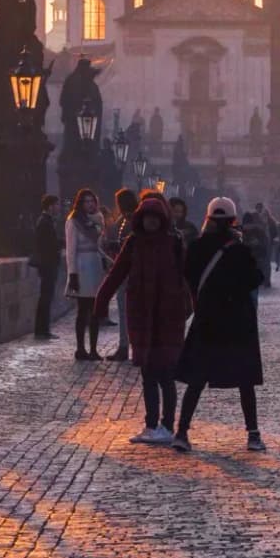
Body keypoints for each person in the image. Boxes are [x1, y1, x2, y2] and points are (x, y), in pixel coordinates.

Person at [95, 196, 193, 445]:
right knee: (149, 373)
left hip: (168, 318)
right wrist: (101, 302)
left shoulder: (174, 243)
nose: (151, 222)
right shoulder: (133, 243)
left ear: (162, 220)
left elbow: (190, 277)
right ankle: (153, 425)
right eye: (147, 218)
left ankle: (165, 426)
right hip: (142, 316)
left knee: (166, 374)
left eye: (155, 218)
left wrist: (191, 307)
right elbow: (116, 274)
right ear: (141, 219)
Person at [173, 198, 268, 452]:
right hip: (237, 320)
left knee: (197, 379)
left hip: (208, 318)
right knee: (244, 380)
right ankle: (253, 434)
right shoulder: (237, 248)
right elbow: (255, 278)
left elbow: (188, 275)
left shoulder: (196, 247)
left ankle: (181, 431)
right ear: (233, 220)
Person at [65, 189, 108, 360]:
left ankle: (94, 349)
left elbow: (100, 246)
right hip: (82, 267)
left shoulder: (98, 219)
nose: (90, 204)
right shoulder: (74, 221)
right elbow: (70, 250)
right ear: (80, 203)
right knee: (83, 310)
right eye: (86, 201)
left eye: (92, 201)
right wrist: (72, 273)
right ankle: (80, 348)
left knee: (96, 310)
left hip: (95, 265)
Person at [102, 188, 141, 363]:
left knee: (129, 312)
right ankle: (125, 346)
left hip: (130, 272)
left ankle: (128, 347)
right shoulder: (125, 220)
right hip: (125, 271)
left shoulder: (133, 220)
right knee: (126, 311)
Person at [30, 194, 62, 340]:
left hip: (47, 264)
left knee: (46, 297)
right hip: (47, 265)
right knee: (46, 298)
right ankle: (42, 330)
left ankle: (42, 329)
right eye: (56, 205)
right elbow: (47, 245)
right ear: (50, 206)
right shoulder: (45, 222)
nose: (58, 208)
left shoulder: (45, 221)